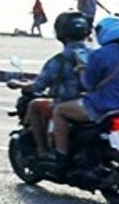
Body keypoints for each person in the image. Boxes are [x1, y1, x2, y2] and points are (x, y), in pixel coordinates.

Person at [7, 11, 91, 157]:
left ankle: (42, 150)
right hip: (93, 104)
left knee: (34, 105)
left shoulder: (59, 60)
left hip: (67, 104)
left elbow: (38, 86)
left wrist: (18, 84)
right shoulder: (96, 55)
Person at [48, 15, 119, 177]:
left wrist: (81, 68)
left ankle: (61, 155)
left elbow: (88, 85)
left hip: (102, 107)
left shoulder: (99, 55)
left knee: (59, 110)